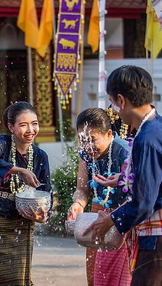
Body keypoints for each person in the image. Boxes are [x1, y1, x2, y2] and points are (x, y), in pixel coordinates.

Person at [85, 65, 162, 285]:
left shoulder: (146, 138)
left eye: (112, 103)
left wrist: (111, 220)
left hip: (155, 238)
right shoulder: (156, 127)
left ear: (121, 100)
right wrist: (122, 178)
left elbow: (144, 202)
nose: (114, 110)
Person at [0, 101, 52, 285]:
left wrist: (43, 215)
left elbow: (46, 192)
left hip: (22, 223)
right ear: (11, 127)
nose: (30, 129)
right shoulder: (3, 143)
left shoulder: (40, 155)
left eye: (34, 123)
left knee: (19, 280)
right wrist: (19, 170)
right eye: (23, 124)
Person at [67, 107, 131, 286]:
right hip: (97, 218)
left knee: (122, 279)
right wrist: (78, 205)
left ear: (109, 133)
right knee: (97, 277)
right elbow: (82, 189)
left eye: (92, 139)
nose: (87, 145)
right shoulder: (86, 155)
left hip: (124, 219)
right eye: (82, 140)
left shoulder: (125, 153)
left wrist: (114, 219)